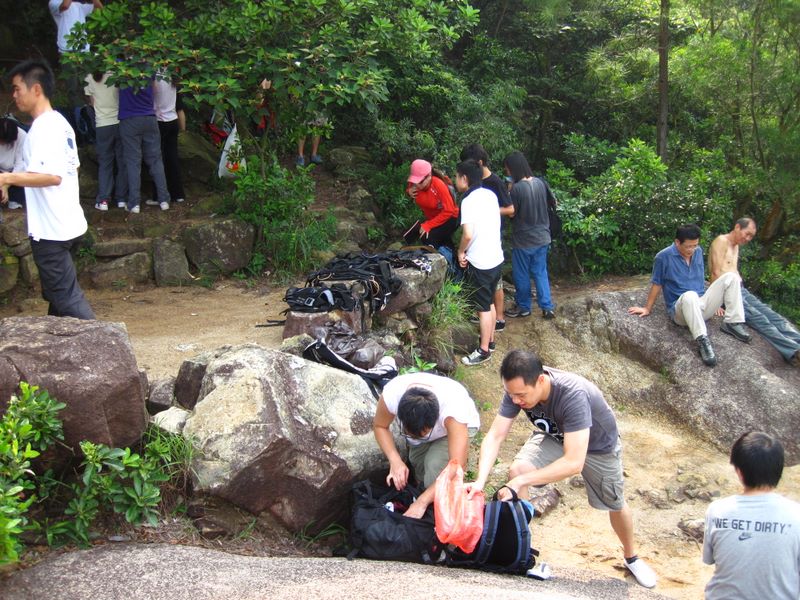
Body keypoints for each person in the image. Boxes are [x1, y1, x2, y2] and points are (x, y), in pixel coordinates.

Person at [465, 350, 657, 588]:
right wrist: (480, 482)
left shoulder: (572, 394)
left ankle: (632, 557)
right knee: (519, 470)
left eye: (521, 395)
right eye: (511, 394)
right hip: (556, 437)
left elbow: (574, 462)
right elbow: (495, 435)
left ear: (541, 380)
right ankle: (522, 550)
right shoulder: (516, 390)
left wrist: (520, 482)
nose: (515, 401)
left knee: (615, 503)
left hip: (599, 447)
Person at [0, 60, 94, 319]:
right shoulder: (61, 124)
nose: (14, 95)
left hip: (51, 232)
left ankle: (108, 342)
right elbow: (73, 168)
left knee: (68, 300)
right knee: (58, 298)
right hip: (69, 224)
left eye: (17, 89)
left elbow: (52, 176)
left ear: (36, 89)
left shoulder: (43, 128)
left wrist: (7, 178)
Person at [627, 223, 750, 367]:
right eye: (688, 246)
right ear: (677, 242)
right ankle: (703, 341)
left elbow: (699, 279)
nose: (692, 250)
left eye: (695, 245)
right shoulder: (663, 257)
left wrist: (713, 302)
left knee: (731, 277)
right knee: (690, 296)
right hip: (680, 310)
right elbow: (657, 283)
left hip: (701, 304)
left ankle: (732, 323)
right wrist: (647, 308)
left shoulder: (698, 252)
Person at [702, 431, 800, 599]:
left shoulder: (717, 510)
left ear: (739, 472)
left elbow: (709, 559)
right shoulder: (796, 514)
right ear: (779, 470)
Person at [372, 372, 480, 518]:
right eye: (409, 433)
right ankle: (423, 491)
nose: (415, 437)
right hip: (429, 425)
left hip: (457, 429)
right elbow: (380, 426)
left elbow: (457, 466)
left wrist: (422, 502)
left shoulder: (454, 412)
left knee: (434, 465)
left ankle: (435, 508)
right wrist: (395, 460)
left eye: (423, 434)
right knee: (418, 463)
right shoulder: (392, 395)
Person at [709, 217, 800, 366]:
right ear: (737, 227)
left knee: (771, 315)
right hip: (726, 293)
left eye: (751, 236)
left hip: (741, 290)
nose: (748, 239)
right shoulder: (721, 241)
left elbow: (732, 270)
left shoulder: (735, 246)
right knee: (759, 318)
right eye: (747, 234)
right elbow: (715, 271)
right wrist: (716, 303)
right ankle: (794, 350)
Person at [456, 159, 504, 366]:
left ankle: (483, 351)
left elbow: (468, 234)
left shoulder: (468, 201)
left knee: (483, 307)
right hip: (496, 257)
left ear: (464, 179)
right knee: (489, 302)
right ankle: (490, 341)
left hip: (480, 261)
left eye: (457, 176)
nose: (456, 180)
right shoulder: (490, 195)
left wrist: (461, 251)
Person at [460, 143, 512, 333]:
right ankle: (489, 319)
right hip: (480, 241)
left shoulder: (495, 182)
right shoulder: (474, 187)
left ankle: (499, 318)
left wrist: (486, 212)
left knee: (495, 284)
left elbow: (511, 208)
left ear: (480, 163)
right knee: (487, 289)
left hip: (491, 239)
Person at [502, 151, 556, 320]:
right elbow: (552, 203)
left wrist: (508, 192)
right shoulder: (540, 183)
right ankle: (547, 307)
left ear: (513, 168)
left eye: (507, 169)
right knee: (540, 272)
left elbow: (512, 213)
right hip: (543, 236)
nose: (507, 173)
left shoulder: (517, 188)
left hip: (523, 240)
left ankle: (524, 307)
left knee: (521, 274)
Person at [118, 77, 170, 213]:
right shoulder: (148, 68)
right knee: (156, 161)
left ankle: (134, 203)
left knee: (133, 162)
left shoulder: (119, 69)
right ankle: (164, 200)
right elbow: (155, 89)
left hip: (129, 119)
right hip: (149, 117)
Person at [84, 71, 127, 211]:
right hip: (119, 122)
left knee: (105, 164)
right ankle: (121, 199)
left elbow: (92, 103)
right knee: (122, 162)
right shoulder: (117, 73)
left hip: (102, 124)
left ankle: (104, 199)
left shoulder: (89, 77)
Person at [406, 159, 460, 250]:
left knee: (429, 237)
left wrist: (428, 225)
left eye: (420, 182)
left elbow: (449, 210)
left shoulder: (438, 185)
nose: (417, 185)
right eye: (415, 182)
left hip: (451, 217)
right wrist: (409, 191)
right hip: (434, 218)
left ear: (429, 176)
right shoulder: (414, 183)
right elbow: (410, 188)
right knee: (433, 237)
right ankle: (450, 253)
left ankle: (444, 255)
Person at [150, 76, 185, 205]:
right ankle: (178, 194)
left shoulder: (154, 76)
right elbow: (179, 107)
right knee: (173, 158)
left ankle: (158, 195)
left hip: (159, 121)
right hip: (173, 120)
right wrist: (183, 129)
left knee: (158, 159)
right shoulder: (173, 77)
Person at [0, 117, 27, 212]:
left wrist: (6, 184)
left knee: (22, 185)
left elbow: (21, 164)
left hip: (14, 172)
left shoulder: (22, 136)